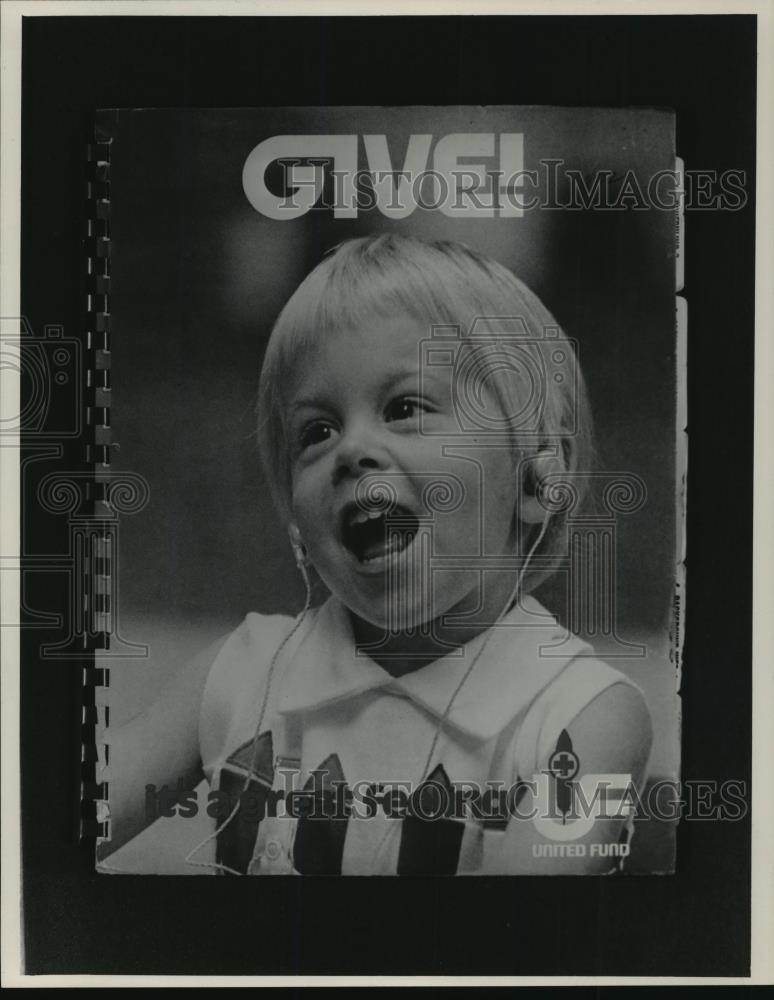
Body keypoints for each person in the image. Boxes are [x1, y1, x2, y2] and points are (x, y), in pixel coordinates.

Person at [103, 233, 652, 876]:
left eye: (404, 407)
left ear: (538, 478)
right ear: (296, 524)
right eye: (317, 431)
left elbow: (517, 943)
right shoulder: (238, 677)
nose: (352, 450)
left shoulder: (586, 715)